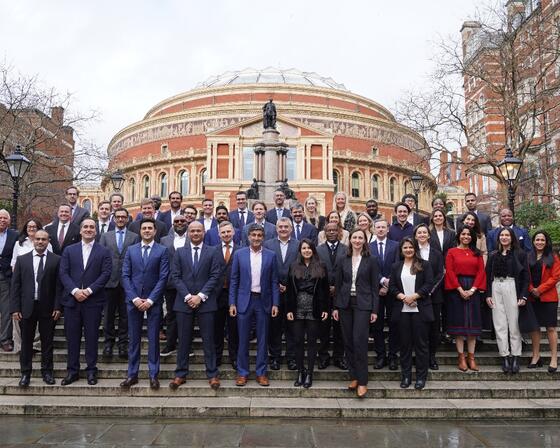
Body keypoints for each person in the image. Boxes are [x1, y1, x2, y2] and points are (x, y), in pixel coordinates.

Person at [58, 218, 112, 385]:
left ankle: (91, 370)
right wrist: (75, 291)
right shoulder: (69, 250)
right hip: (72, 302)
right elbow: (63, 273)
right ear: (80, 230)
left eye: (92, 227)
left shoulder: (103, 251)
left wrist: (88, 291)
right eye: (86, 227)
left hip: (93, 301)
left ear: (96, 231)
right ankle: (72, 371)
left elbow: (105, 274)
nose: (89, 229)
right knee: (72, 338)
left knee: (92, 337)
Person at [169, 221, 222, 390]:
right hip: (184, 302)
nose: (195, 233)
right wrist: (187, 296)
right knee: (183, 340)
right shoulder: (179, 252)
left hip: (206, 302)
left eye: (199, 231)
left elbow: (215, 276)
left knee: (209, 340)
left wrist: (199, 296)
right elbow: (175, 277)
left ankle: (212, 374)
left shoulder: (213, 251)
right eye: (192, 231)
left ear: (204, 232)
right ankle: (180, 374)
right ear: (188, 233)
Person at [121, 218, 169, 390]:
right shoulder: (131, 250)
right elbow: (125, 275)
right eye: (144, 228)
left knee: (154, 339)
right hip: (133, 301)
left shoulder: (162, 251)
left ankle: (153, 375)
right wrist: (134, 298)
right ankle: (132, 374)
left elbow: (163, 277)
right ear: (140, 231)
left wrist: (150, 300)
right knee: (133, 339)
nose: (147, 231)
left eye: (150, 228)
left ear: (155, 231)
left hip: (153, 301)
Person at [229, 223, 279, 387]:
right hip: (244, 301)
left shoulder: (271, 255)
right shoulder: (239, 254)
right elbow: (234, 280)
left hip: (263, 301)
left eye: (259, 235)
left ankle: (261, 373)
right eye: (253, 235)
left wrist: (275, 304)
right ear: (248, 237)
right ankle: (242, 373)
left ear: (263, 237)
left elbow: (274, 281)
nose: (256, 238)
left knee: (263, 339)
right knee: (242, 338)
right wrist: (232, 303)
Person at [10, 230, 61, 387]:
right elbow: (15, 286)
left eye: (43, 239)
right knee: (26, 343)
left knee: (47, 342)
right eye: (38, 239)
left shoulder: (56, 260)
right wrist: (15, 308)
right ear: (33, 241)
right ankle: (25, 374)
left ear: (48, 241)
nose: (40, 242)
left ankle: (47, 372)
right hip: (27, 307)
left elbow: (59, 286)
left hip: (47, 307)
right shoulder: (22, 260)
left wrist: (58, 306)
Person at [333, 228, 379, 398]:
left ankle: (362, 381)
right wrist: (335, 307)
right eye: (355, 237)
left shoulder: (372, 260)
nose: (357, 240)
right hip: (345, 304)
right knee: (348, 341)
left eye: (361, 238)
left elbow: (375, 287)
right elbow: (337, 286)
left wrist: (375, 310)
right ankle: (353, 376)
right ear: (350, 240)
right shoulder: (342, 259)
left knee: (359, 341)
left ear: (364, 240)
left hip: (363, 304)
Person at [388, 237, 434, 390]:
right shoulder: (396, 266)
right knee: (405, 345)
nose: (408, 250)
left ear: (415, 249)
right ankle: (406, 376)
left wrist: (414, 296)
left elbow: (429, 284)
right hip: (402, 311)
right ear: (401, 250)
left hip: (420, 310)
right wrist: (403, 298)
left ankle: (421, 377)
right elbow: (392, 286)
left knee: (421, 345)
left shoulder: (424, 265)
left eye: (410, 247)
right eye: (405, 247)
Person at [485, 227, 529, 374]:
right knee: (499, 324)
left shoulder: (520, 254)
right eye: (502, 235)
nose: (504, 237)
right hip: (496, 286)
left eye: (507, 235)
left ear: (512, 238)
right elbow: (487, 276)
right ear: (498, 238)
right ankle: (505, 356)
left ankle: (515, 356)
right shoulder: (493, 255)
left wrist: (523, 296)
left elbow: (525, 277)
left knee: (514, 324)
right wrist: (488, 295)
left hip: (512, 287)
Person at [286, 239, 329, 388]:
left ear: (313, 250)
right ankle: (300, 372)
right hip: (297, 308)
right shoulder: (293, 266)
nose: (306, 250)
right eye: (304, 248)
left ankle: (309, 373)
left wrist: (325, 309)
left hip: (314, 308)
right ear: (300, 250)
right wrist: (289, 310)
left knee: (311, 343)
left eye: (309, 248)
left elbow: (324, 290)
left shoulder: (321, 266)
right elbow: (290, 290)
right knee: (298, 342)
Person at [444, 226, 486, 372]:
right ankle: (461, 357)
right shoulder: (452, 252)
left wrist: (473, 289)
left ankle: (471, 357)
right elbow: (449, 271)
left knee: (472, 326)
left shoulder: (477, 253)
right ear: (459, 236)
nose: (466, 236)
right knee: (459, 325)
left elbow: (481, 272)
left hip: (473, 289)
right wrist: (460, 289)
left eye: (468, 234)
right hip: (457, 290)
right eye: (463, 234)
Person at [99, 207, 139, 359]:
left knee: (125, 316)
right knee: (108, 315)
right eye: (118, 217)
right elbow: (101, 258)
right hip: (109, 281)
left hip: (127, 282)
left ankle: (123, 343)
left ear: (128, 219)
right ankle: (108, 343)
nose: (121, 219)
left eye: (123, 217)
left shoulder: (134, 237)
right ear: (114, 219)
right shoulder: (105, 236)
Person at [264, 217, 299, 370]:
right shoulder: (268, 245)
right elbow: (265, 268)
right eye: (281, 227)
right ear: (276, 229)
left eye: (286, 227)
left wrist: (289, 285)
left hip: (293, 294)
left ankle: (292, 358)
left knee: (292, 328)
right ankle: (275, 357)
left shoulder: (299, 246)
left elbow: (302, 269)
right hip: (273, 293)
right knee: (274, 328)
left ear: (291, 229)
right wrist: (276, 284)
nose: (283, 229)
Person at [527, 231, 560, 373]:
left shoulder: (553, 257)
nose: (539, 242)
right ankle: (536, 356)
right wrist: (531, 289)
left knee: (551, 328)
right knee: (534, 328)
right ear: (533, 241)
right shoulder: (528, 256)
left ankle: (554, 358)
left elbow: (555, 277)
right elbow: (525, 275)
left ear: (546, 242)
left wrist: (539, 289)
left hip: (548, 297)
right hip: (532, 298)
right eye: (537, 239)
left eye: (542, 240)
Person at [370, 218, 400, 370]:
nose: (380, 230)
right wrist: (381, 281)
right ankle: (381, 355)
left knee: (394, 324)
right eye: (378, 227)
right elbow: (369, 269)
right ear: (373, 230)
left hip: (393, 291)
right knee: (377, 325)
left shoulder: (396, 246)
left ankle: (393, 355)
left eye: (383, 227)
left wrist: (388, 284)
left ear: (388, 229)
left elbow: (398, 266)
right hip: (375, 292)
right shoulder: (368, 247)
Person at [316, 223, 347, 370]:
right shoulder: (318, 250)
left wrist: (338, 287)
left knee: (340, 328)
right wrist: (326, 286)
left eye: (335, 230)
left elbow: (348, 272)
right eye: (329, 230)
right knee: (323, 327)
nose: (332, 232)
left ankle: (339, 357)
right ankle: (323, 356)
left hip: (341, 294)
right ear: (325, 232)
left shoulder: (346, 250)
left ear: (339, 232)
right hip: (323, 294)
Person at [413, 224, 445, 370]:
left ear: (429, 235)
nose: (422, 235)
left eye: (424, 232)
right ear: (415, 236)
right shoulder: (412, 252)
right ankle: (419, 356)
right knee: (417, 329)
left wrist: (429, 290)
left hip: (433, 296)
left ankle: (431, 357)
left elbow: (440, 274)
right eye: (419, 232)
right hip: (415, 296)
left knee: (433, 328)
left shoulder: (437, 253)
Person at [159, 213, 189, 357]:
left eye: (182, 221)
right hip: (170, 284)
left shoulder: (193, 237)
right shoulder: (164, 240)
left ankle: (186, 346)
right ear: (173, 223)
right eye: (176, 221)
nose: (179, 223)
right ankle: (170, 344)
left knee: (186, 316)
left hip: (189, 284)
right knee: (171, 315)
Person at [213, 221, 239, 369]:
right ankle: (217, 357)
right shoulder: (213, 250)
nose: (226, 234)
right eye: (223, 232)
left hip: (234, 296)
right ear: (219, 235)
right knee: (217, 328)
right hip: (217, 296)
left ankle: (234, 357)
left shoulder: (242, 250)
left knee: (233, 329)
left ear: (233, 232)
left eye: (228, 232)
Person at [0, 210, 20, 353]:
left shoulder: (15, 235)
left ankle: (5, 339)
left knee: (7, 309)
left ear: (9, 220)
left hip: (6, 277)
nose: (2, 220)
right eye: (0, 218)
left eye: (5, 218)